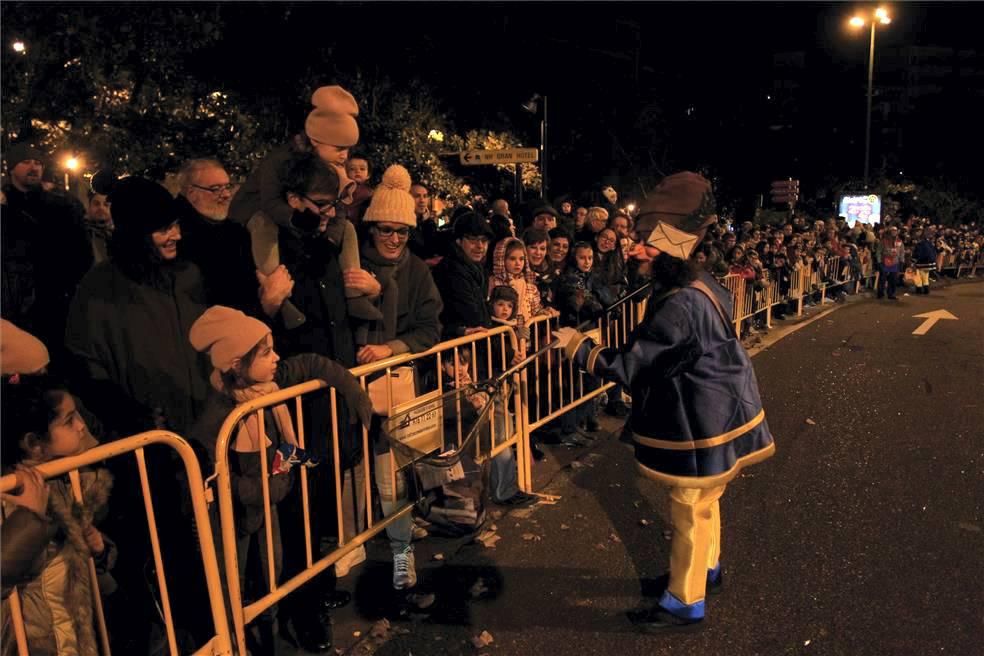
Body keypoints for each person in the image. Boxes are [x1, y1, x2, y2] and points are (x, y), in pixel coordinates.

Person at [552, 172, 775, 633]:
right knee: (708, 500)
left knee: (690, 506)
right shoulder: (700, 282)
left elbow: (635, 365)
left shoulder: (680, 305)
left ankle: (683, 600)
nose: (634, 251)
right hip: (720, 406)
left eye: (647, 247)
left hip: (702, 416)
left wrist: (578, 347)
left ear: (673, 250)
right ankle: (703, 570)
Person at [188, 306, 372, 656]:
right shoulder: (216, 415)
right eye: (266, 352)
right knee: (235, 583)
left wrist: (354, 392)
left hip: (267, 506)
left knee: (271, 570)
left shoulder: (268, 384)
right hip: (236, 519)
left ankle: (269, 639)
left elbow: (315, 364)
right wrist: (265, 489)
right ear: (237, 363)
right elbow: (213, 476)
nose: (276, 357)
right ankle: (238, 644)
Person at [347, 164, 444, 590]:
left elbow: (429, 328)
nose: (393, 239)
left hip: (395, 387)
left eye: (401, 231)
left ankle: (402, 552)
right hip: (349, 388)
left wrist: (391, 348)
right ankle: (350, 551)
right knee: (352, 473)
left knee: (391, 475)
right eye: (385, 230)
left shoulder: (418, 271)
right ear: (370, 230)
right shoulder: (347, 265)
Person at [228, 85, 380, 324]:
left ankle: (354, 297)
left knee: (348, 230)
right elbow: (270, 202)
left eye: (348, 149)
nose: (345, 155)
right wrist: (297, 218)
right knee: (263, 226)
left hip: (300, 220)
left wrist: (331, 236)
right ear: (316, 140)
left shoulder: (331, 169)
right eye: (339, 148)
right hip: (256, 213)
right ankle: (279, 295)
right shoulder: (280, 161)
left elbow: (338, 206)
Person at [1, 376, 117, 656]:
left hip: (68, 633)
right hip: (31, 642)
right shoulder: (11, 495)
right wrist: (28, 519)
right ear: (34, 444)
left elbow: (68, 563)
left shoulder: (63, 480)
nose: (81, 425)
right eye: (69, 420)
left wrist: (99, 550)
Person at [2, 142, 92, 368]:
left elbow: (80, 251)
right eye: (26, 162)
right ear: (12, 167)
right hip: (15, 306)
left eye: (38, 163)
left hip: (56, 302)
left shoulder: (60, 205)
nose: (34, 167)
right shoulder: (4, 207)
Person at [175, 158, 274, 316]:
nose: (226, 195)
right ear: (192, 193)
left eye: (228, 187)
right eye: (216, 189)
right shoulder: (177, 236)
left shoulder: (234, 230)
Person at [432, 212, 495, 341]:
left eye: (484, 240)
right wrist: (507, 353)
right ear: (458, 241)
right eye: (473, 239)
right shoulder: (452, 271)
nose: (480, 246)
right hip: (456, 348)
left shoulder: (477, 268)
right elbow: (472, 318)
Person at [876, 225, 904, 300]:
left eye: (895, 231)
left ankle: (891, 294)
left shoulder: (899, 241)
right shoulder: (883, 241)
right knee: (883, 278)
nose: (894, 232)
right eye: (892, 231)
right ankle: (880, 293)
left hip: (895, 262)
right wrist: (879, 262)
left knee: (893, 279)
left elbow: (901, 251)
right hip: (885, 261)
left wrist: (901, 261)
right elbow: (878, 251)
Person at [912, 227, 938, 295]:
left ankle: (919, 289)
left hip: (921, 262)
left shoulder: (920, 244)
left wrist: (913, 259)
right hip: (929, 263)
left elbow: (918, 253)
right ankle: (926, 289)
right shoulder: (929, 243)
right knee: (925, 276)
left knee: (918, 275)